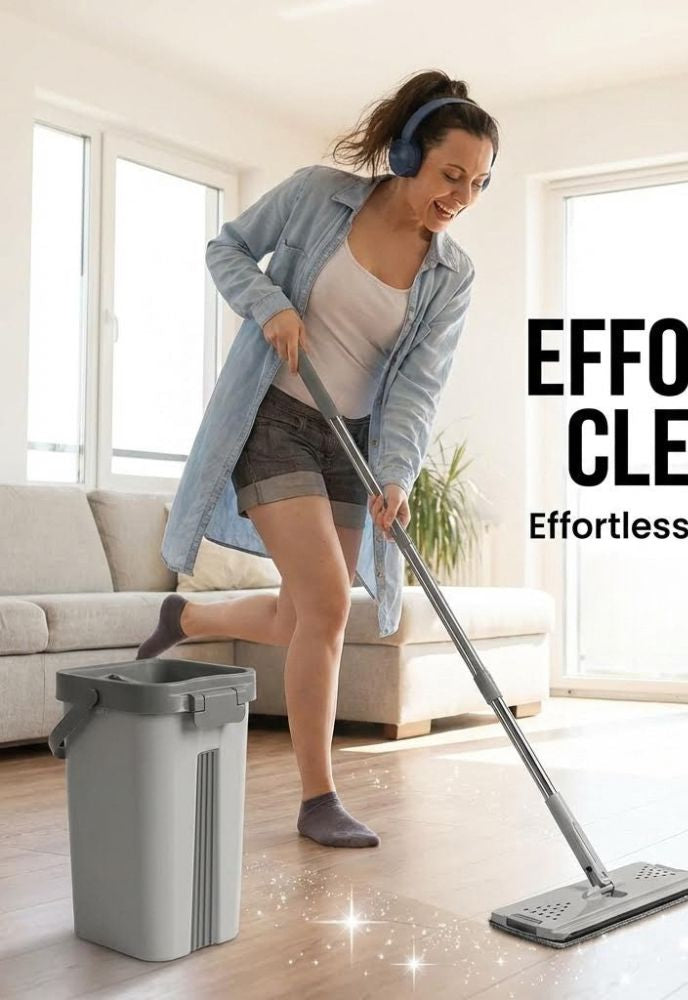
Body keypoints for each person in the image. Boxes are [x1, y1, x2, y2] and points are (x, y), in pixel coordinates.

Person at [140, 69, 499, 848]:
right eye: (450, 175)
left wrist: (398, 472)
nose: (460, 197)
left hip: (353, 445)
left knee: (299, 613)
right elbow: (227, 248)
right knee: (333, 606)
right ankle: (317, 800)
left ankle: (187, 615)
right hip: (273, 420)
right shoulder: (315, 196)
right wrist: (270, 305)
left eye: (477, 184)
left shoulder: (450, 275)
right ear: (409, 154)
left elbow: (416, 387)